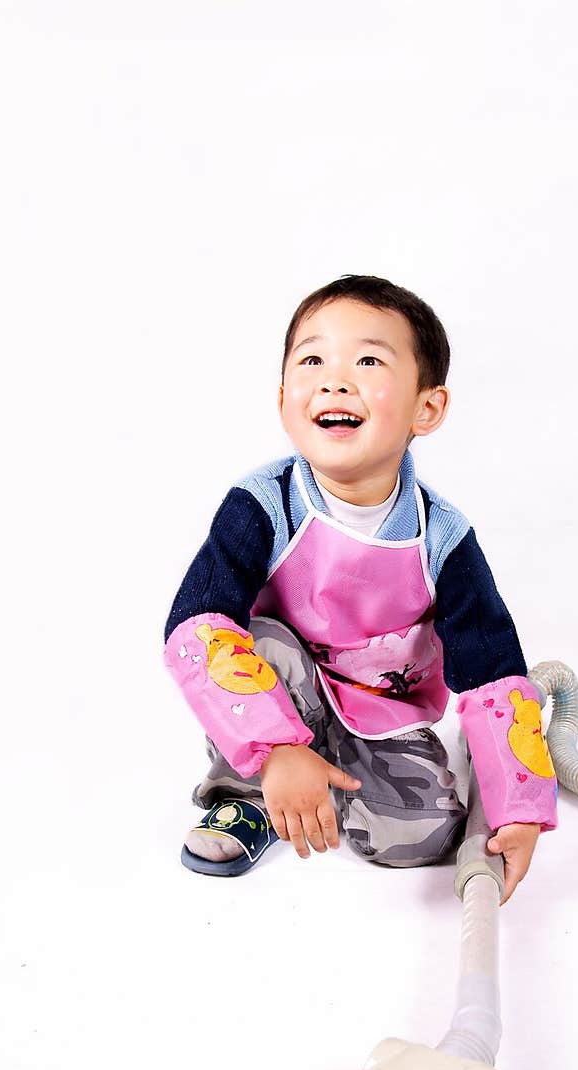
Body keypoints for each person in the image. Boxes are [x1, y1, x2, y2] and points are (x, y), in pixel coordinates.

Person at [164, 274, 557, 904]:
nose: (334, 380)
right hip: (278, 686)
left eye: (368, 360)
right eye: (313, 360)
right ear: (284, 396)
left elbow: (492, 674)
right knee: (246, 642)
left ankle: (335, 775)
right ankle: (251, 792)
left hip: (382, 706)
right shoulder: (262, 506)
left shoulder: (442, 539)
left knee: (420, 839)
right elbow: (194, 624)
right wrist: (274, 750)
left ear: (426, 409)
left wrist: (517, 808)